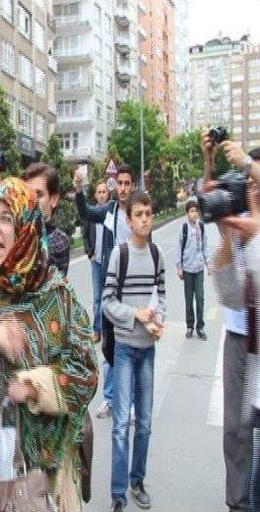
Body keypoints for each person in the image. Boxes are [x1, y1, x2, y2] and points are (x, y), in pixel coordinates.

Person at [0, 177, 98, 512]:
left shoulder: (58, 296)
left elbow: (87, 373)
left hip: (47, 477)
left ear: (26, 228)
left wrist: (35, 387)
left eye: (7, 218)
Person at [204, 133, 260, 512]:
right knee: (236, 432)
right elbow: (228, 294)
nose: (251, 189)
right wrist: (228, 238)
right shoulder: (242, 225)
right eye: (250, 184)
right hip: (241, 340)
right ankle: (237, 504)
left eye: (255, 181)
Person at [102, 191, 166, 512]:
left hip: (148, 350)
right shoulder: (120, 255)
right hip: (126, 349)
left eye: (148, 213)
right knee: (120, 426)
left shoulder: (156, 254)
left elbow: (162, 296)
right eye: (138, 214)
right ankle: (118, 493)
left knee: (144, 422)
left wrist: (159, 320)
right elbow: (107, 302)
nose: (144, 218)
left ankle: (137, 480)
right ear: (129, 221)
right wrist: (135, 315)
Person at [75, 164, 136, 420]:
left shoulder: (138, 212)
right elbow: (86, 212)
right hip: (112, 289)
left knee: (131, 347)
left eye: (126, 184)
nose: (122, 188)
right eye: (119, 183)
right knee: (110, 349)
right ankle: (110, 399)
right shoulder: (109, 212)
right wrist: (79, 189)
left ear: (132, 186)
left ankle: (130, 402)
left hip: (133, 289)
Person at [22, 162, 71, 276]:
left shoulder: (59, 240)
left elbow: (33, 266)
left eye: (38, 194)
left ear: (53, 200)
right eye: (27, 194)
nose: (32, 200)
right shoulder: (22, 231)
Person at [176, 199, 210, 340]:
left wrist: (208, 263)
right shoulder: (183, 229)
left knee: (200, 298)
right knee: (189, 300)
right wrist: (179, 267)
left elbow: (205, 247)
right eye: (191, 211)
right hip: (188, 270)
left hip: (199, 268)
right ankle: (190, 326)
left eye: (196, 211)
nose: (194, 214)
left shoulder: (201, 228)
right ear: (187, 213)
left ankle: (200, 327)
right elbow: (179, 249)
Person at [83, 181, 110, 344]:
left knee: (109, 298)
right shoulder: (92, 215)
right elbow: (85, 236)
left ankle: (106, 330)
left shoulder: (110, 213)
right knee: (97, 299)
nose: (101, 194)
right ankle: (97, 331)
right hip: (96, 262)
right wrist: (89, 253)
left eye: (104, 192)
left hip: (109, 263)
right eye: (99, 192)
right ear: (95, 195)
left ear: (108, 194)